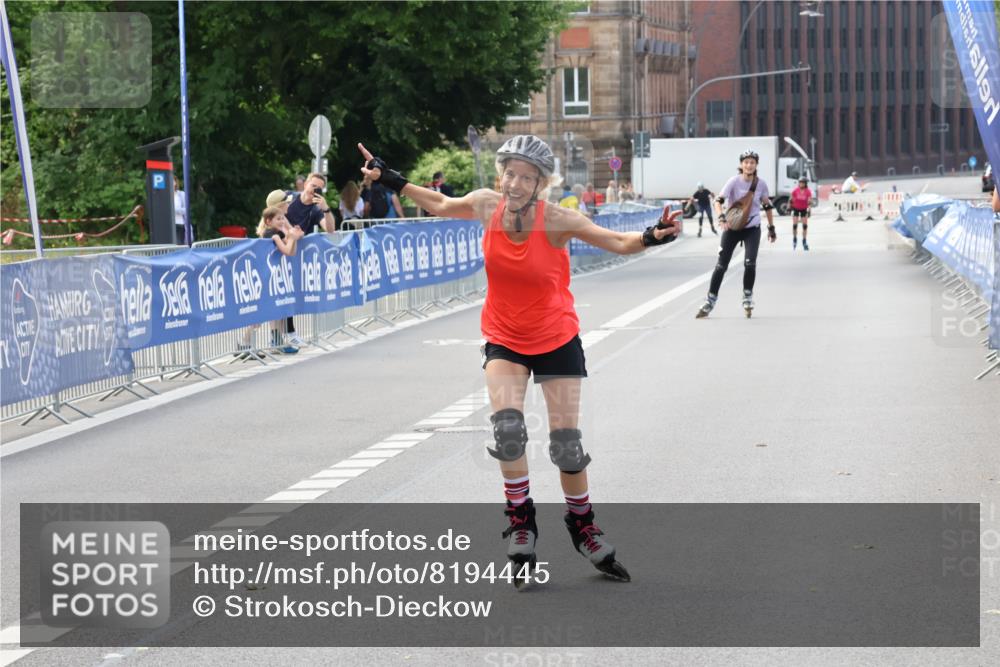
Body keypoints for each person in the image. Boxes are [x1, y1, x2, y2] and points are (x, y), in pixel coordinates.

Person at [357, 135, 682, 582]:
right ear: (501, 175)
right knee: (508, 431)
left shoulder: (558, 220)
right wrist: (390, 179)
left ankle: (582, 526)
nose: (515, 183)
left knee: (566, 446)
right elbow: (440, 203)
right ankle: (521, 520)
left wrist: (651, 235)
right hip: (505, 338)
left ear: (540, 185)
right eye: (510, 173)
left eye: (526, 178)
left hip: (555, 337)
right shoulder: (486, 205)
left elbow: (617, 241)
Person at [696, 148, 776, 319]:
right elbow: (718, 201)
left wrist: (771, 228)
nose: (749, 165)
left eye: (752, 162)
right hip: (732, 228)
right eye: (746, 162)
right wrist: (721, 217)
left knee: (750, 263)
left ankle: (747, 296)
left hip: (752, 229)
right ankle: (710, 299)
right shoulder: (733, 181)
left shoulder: (761, 184)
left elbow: (767, 206)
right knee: (721, 265)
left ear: (756, 165)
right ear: (741, 164)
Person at [236, 207, 304, 357]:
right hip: (265, 278)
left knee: (274, 311)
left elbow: (292, 251)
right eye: (278, 219)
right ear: (268, 221)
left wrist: (293, 237)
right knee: (261, 315)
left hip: (273, 279)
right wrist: (292, 237)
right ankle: (244, 344)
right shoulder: (271, 234)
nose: (282, 221)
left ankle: (275, 342)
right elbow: (287, 250)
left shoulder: (277, 233)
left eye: (282, 218)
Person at [790, 176, 812, 251]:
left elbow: (809, 201)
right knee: (795, 225)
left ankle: (804, 241)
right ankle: (794, 239)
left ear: (805, 184)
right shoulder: (795, 191)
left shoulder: (808, 191)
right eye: (800, 182)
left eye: (802, 183)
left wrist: (809, 209)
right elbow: (791, 199)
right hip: (796, 208)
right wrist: (789, 206)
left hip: (804, 209)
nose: (801, 184)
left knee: (805, 226)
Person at [173, 180, 188, 244]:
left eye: (173, 181)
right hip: (168, 225)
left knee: (179, 244)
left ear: (176, 183)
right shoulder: (165, 195)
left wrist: (174, 210)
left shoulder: (181, 194)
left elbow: (186, 210)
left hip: (179, 223)